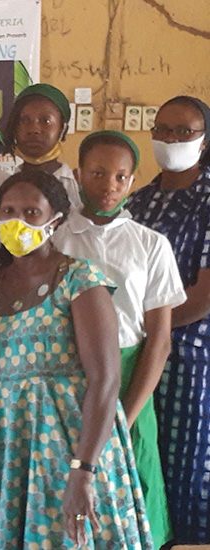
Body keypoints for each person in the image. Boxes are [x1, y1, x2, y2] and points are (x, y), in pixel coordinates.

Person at [0, 170, 152, 549]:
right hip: (11, 446)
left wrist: (83, 471)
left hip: (74, 445)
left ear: (55, 220)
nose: (17, 220)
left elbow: (105, 380)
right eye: (8, 210)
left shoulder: (79, 279)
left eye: (31, 212)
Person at [53, 130, 184, 548]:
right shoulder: (57, 240)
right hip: (69, 382)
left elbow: (158, 340)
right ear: (78, 175)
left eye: (120, 177)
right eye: (97, 173)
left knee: (134, 484)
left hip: (131, 380)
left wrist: (125, 420)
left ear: (132, 180)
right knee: (71, 490)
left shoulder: (151, 245)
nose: (108, 186)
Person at [127, 95, 210, 545]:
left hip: (189, 360)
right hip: (137, 355)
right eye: (162, 130)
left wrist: (151, 326)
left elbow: (203, 294)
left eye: (185, 131)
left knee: (186, 464)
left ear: (204, 139)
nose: (171, 139)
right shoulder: (137, 201)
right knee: (139, 456)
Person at [3, 83, 82, 210]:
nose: (33, 129)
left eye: (46, 121)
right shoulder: (3, 186)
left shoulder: (78, 189)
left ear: (63, 129)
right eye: (24, 120)